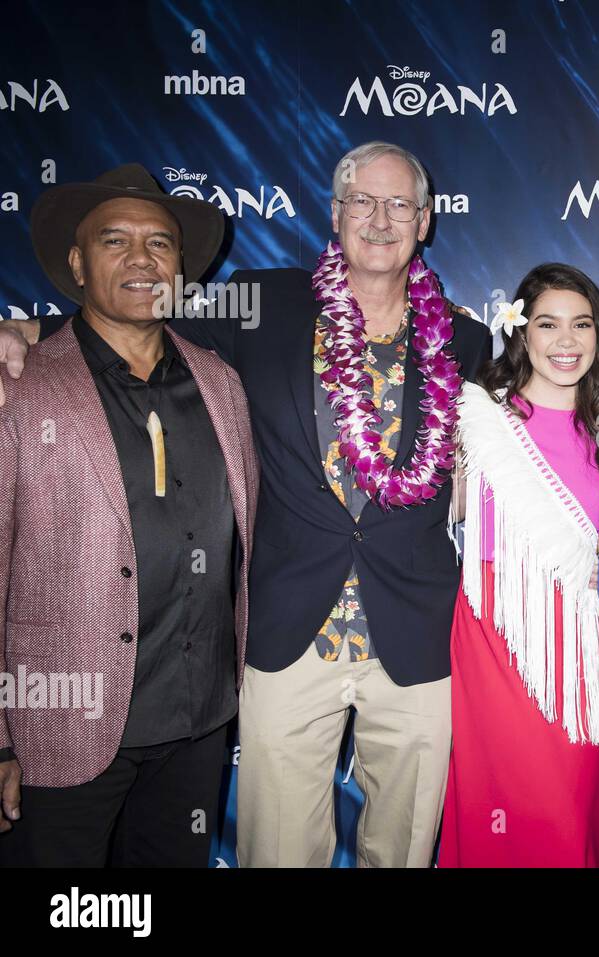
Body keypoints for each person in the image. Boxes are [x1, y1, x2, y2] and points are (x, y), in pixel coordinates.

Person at [1, 142, 489, 867]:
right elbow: (137, 304)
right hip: (286, 635)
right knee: (280, 852)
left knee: (404, 850)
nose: (379, 219)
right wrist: (21, 331)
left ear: (424, 221)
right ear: (335, 214)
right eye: (361, 200)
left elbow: (547, 392)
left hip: (415, 638)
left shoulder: (466, 340)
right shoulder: (266, 303)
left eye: (398, 205)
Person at [0, 164, 258, 866]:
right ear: (78, 263)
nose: (142, 259)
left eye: (161, 244)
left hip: (198, 722)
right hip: (61, 722)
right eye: (115, 241)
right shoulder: (21, 385)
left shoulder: (221, 384)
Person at [439, 263, 599, 867]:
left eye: (581, 325)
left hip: (576, 635)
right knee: (504, 800)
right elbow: (441, 509)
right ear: (520, 332)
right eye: (547, 324)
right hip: (496, 632)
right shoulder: (478, 417)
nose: (565, 341)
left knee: (567, 802)